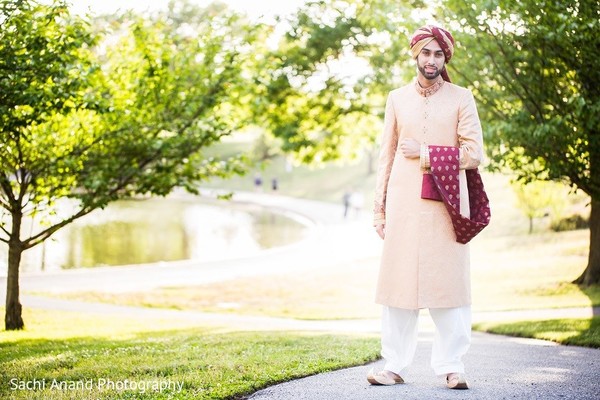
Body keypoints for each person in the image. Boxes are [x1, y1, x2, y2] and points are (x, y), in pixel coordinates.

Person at [368, 25, 485, 390]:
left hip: (446, 205)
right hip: (403, 204)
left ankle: (452, 367)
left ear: (444, 57)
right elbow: (386, 157)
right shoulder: (397, 98)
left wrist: (427, 153)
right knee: (399, 286)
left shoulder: (461, 97)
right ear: (415, 55)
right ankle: (393, 366)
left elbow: (474, 154)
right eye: (426, 53)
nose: (431, 60)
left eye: (438, 54)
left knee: (448, 286)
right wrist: (379, 209)